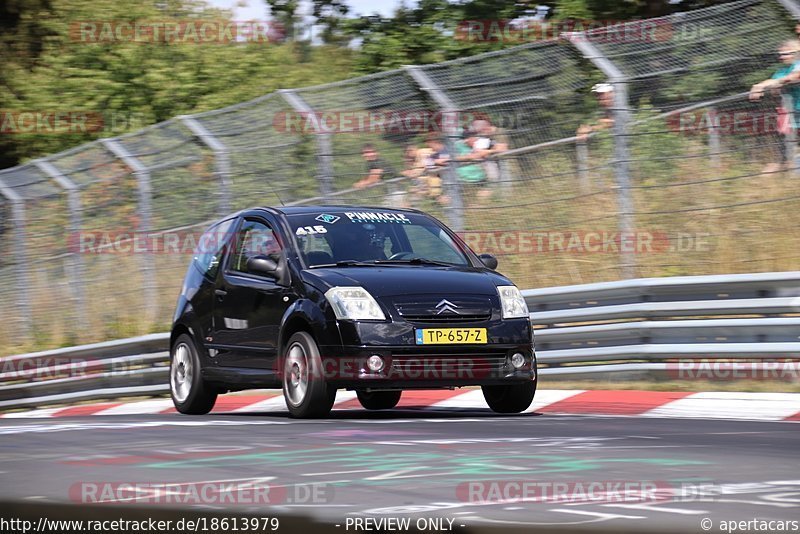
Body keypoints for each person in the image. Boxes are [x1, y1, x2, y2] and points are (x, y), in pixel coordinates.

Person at [749, 39, 800, 173]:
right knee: (787, 147)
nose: (781, 57)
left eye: (785, 54)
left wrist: (780, 82)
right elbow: (773, 80)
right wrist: (759, 86)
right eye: (780, 54)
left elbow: (795, 76)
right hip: (792, 113)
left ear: (796, 53)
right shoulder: (783, 70)